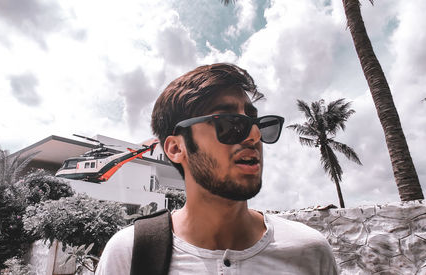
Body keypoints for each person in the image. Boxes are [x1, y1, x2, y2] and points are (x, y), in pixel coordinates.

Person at [95, 63, 338, 274]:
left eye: (256, 123)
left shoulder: (310, 252)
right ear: (176, 149)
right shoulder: (129, 254)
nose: (254, 136)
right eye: (230, 123)